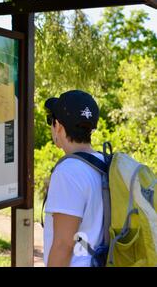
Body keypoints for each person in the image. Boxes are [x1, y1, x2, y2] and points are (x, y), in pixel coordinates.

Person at [43, 90, 104, 267]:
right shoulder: (103, 162)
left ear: (59, 126)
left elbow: (64, 244)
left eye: (50, 121)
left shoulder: (68, 172)